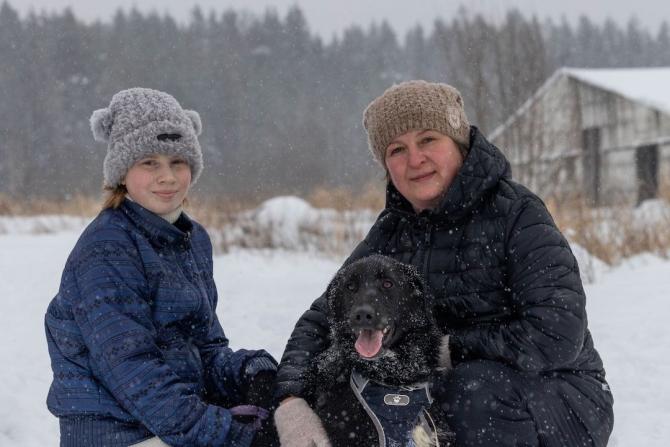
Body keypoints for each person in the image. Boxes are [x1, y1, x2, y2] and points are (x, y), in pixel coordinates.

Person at [274, 80, 614, 447]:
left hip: (563, 396)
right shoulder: (390, 235)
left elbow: (556, 334)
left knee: (468, 392)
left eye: (427, 140)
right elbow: (324, 318)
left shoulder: (517, 214)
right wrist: (292, 402)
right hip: (452, 391)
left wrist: (449, 350)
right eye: (397, 149)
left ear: (459, 143)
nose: (415, 160)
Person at [45, 88, 278, 447]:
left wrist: (252, 373)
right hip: (119, 434)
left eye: (177, 162)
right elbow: (133, 371)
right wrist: (233, 435)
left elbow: (205, 349)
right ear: (122, 172)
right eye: (149, 162)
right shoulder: (107, 248)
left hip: (171, 425)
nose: (167, 176)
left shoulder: (192, 239)